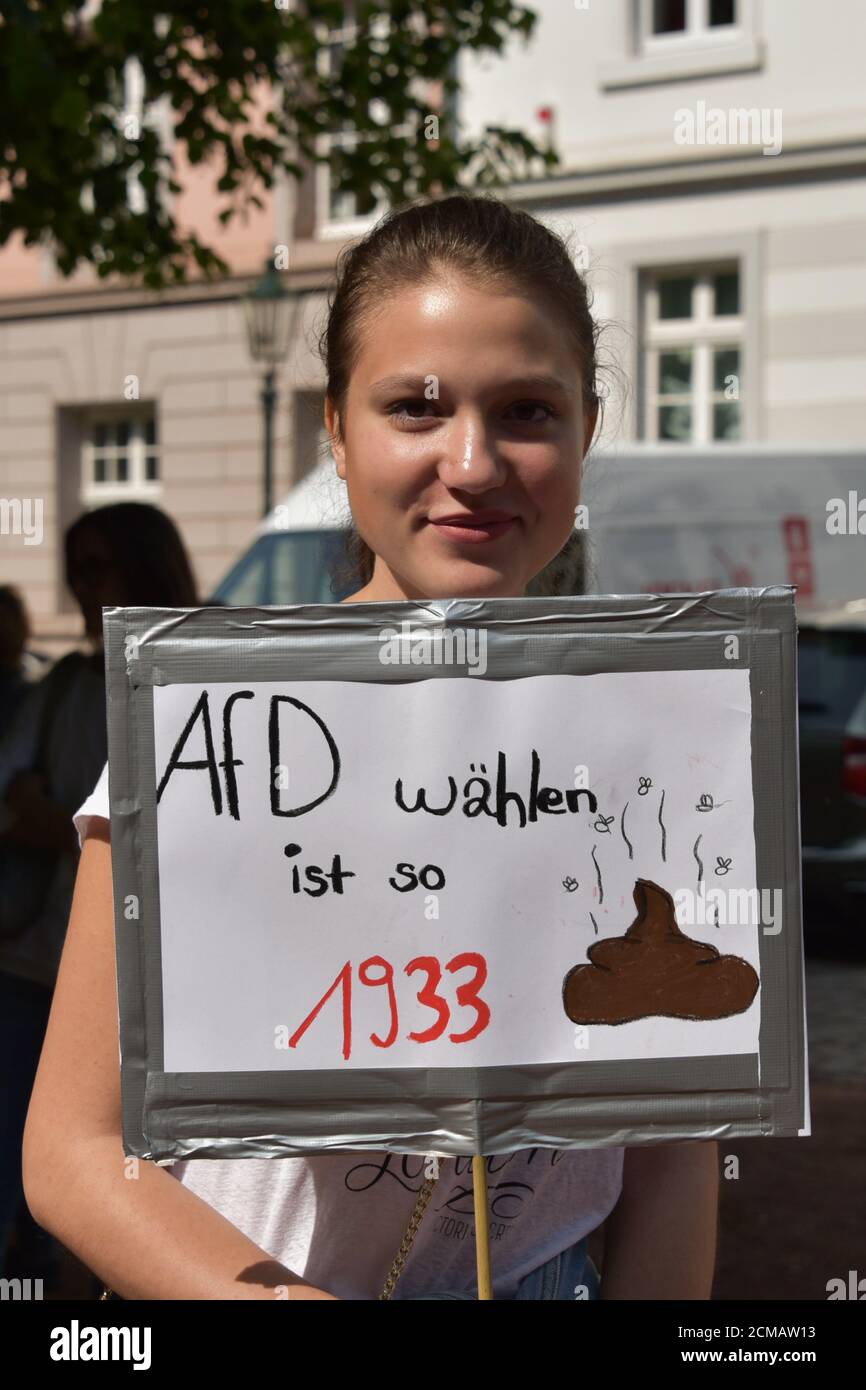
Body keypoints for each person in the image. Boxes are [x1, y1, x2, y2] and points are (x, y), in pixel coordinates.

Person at [23, 193, 719, 1300]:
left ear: (586, 429)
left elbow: (677, 1145)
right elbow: (72, 1147)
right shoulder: (212, 722)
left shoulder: (671, 731)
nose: (474, 460)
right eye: (415, 408)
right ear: (336, 433)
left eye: (528, 411)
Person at [0, 503, 197, 1280]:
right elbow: (11, 800)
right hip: (37, 968)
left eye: (101, 566)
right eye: (76, 570)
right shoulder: (66, 687)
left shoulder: (200, 666)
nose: (85, 587)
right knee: (49, 1173)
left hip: (161, 987)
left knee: (154, 1191)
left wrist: (66, 820)